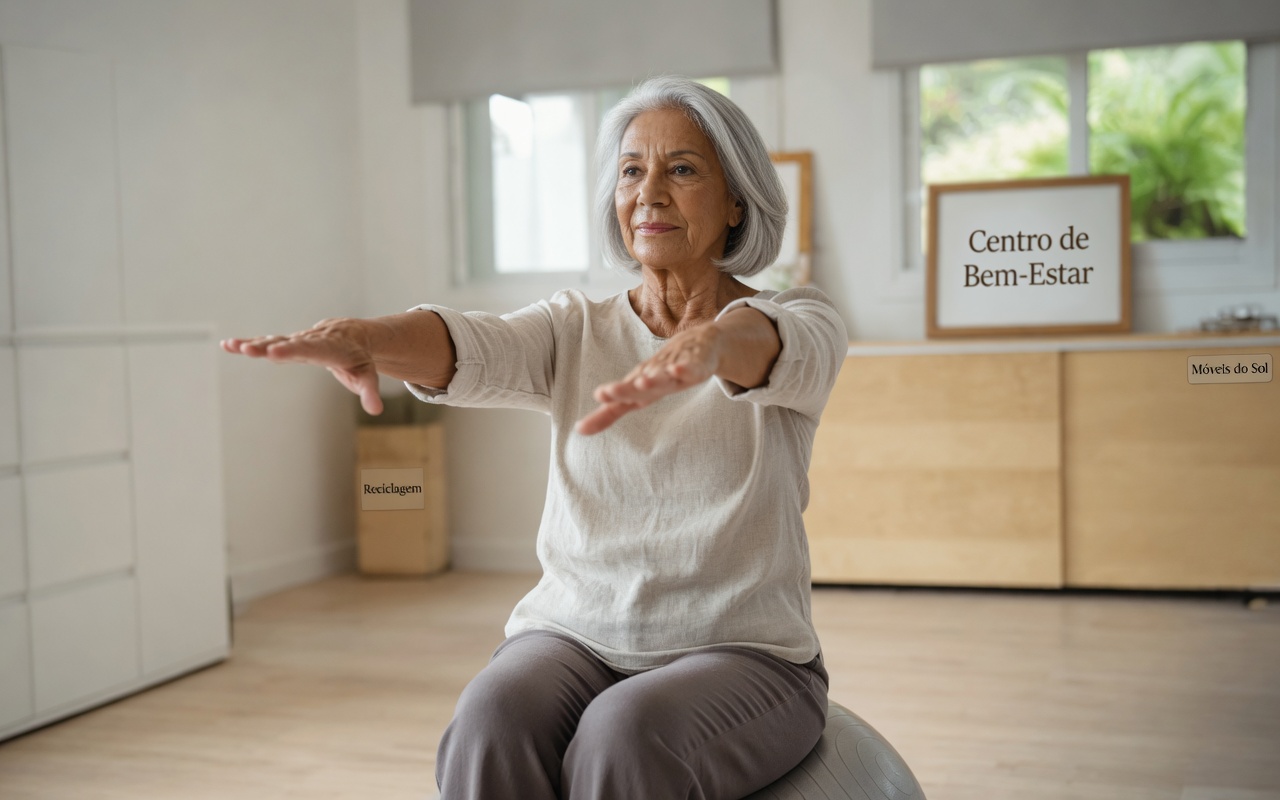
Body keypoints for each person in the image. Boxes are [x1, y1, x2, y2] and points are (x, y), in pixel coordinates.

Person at [223, 75, 847, 800]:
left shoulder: (802, 320)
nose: (649, 193)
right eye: (631, 171)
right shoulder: (576, 328)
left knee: (625, 732)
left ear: (737, 200)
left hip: (744, 650)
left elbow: (768, 344)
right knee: (490, 716)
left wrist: (708, 346)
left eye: (681, 169)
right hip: (576, 636)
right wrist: (368, 338)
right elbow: (472, 344)